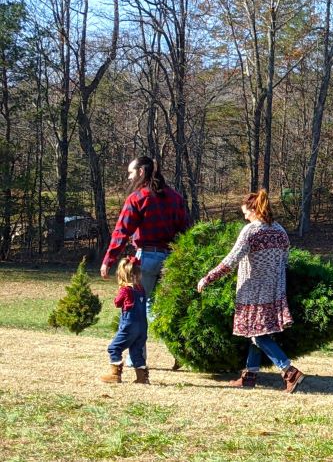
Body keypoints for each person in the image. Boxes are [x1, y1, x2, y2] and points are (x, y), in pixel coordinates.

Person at [197, 189, 304, 394]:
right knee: (257, 331)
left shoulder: (251, 231)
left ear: (254, 210)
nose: (245, 216)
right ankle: (250, 375)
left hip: (254, 291)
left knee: (257, 334)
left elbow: (230, 260)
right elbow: (285, 260)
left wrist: (208, 277)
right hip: (275, 290)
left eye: (246, 212)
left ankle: (289, 371)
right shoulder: (280, 231)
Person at [100, 156, 189, 368]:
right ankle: (180, 350)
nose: (129, 176)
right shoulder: (175, 197)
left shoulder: (137, 198)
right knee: (163, 309)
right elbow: (185, 230)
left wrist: (108, 260)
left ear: (141, 172)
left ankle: (136, 359)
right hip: (171, 259)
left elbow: (122, 231)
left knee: (139, 308)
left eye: (131, 172)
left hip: (146, 258)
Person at [100, 257, 149, 384]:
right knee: (136, 351)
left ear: (122, 275)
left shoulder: (125, 290)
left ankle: (115, 374)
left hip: (129, 325)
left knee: (114, 348)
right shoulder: (141, 290)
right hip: (142, 326)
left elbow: (117, 303)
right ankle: (142, 377)